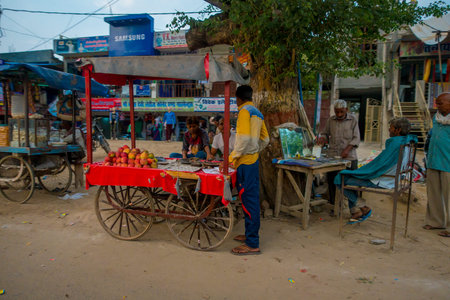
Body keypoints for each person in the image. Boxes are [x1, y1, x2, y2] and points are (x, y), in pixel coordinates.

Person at [335, 117, 417, 223]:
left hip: (383, 179)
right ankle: (356, 212)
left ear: (398, 130)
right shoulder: (407, 142)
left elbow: (380, 165)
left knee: (340, 178)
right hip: (395, 179)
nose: (389, 130)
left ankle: (363, 207)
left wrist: (364, 171)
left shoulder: (396, 144)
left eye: (391, 128)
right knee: (351, 176)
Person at [230, 85, 269, 255]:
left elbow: (244, 138)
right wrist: (254, 150)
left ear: (237, 98)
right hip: (253, 161)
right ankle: (249, 235)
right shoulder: (257, 113)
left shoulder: (244, 112)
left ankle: (252, 243)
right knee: (249, 200)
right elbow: (265, 139)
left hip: (245, 163)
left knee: (249, 201)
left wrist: (232, 157)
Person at [318, 99, 360, 208]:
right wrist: (322, 138)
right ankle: (334, 206)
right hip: (333, 158)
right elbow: (325, 133)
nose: (339, 114)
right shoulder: (330, 120)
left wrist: (347, 149)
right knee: (332, 182)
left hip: (349, 158)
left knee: (349, 183)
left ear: (346, 110)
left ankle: (353, 208)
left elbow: (356, 138)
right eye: (337, 112)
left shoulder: (353, 120)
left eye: (341, 111)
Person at [423, 92, 450, 238]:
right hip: (434, 161)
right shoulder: (437, 118)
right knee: (433, 194)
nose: (437, 106)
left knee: (449, 196)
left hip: (448, 163)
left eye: (440, 103)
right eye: (437, 103)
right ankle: (435, 221)